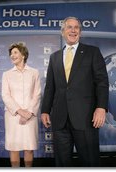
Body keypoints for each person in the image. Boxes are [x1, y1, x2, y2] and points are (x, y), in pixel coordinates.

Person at [41, 17, 109, 167]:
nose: (73, 30)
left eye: (76, 27)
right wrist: (45, 110)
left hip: (85, 118)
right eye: (69, 27)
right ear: (63, 32)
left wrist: (101, 107)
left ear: (80, 32)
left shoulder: (92, 52)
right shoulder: (54, 57)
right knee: (62, 163)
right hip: (60, 119)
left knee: (90, 161)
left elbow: (102, 82)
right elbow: (50, 87)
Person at [1, 42, 41, 167]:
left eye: (15, 52)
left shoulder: (34, 72)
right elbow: (6, 96)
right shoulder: (6, 74)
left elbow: (37, 94)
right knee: (14, 148)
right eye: (11, 53)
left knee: (29, 148)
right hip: (13, 116)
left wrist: (28, 113)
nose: (12, 55)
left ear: (23, 55)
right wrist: (20, 111)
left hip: (30, 116)